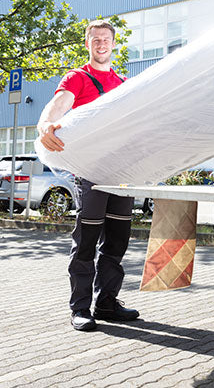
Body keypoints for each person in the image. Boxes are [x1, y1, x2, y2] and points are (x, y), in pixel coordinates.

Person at [38, 20, 139, 331]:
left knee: (117, 241)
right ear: (88, 44)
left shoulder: (124, 83)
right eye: (95, 39)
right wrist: (45, 125)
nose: (101, 44)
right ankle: (80, 308)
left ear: (113, 43)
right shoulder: (78, 78)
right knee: (87, 242)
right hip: (90, 173)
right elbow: (57, 106)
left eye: (106, 39)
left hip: (121, 173)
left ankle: (106, 302)